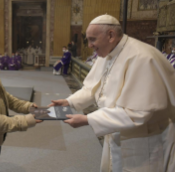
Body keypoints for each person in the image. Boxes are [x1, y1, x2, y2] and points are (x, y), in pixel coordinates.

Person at [50, 14, 175, 172]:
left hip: (144, 139)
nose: (89, 45)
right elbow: (93, 87)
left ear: (110, 35)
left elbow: (137, 112)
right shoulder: (108, 52)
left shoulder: (142, 58)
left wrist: (88, 119)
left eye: (92, 39)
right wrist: (70, 102)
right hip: (116, 130)